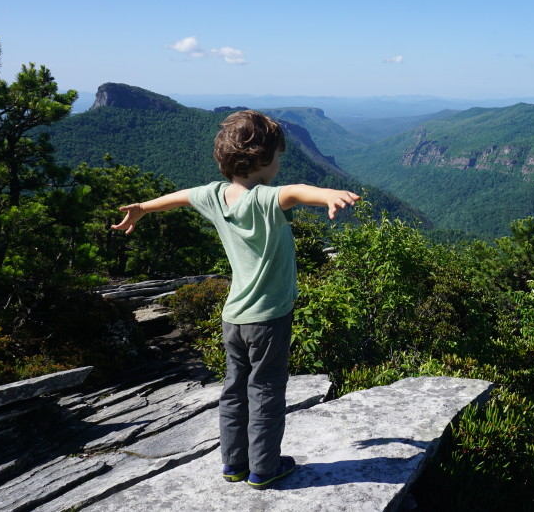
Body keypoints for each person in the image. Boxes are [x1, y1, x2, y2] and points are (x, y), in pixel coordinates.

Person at [110, 110, 359, 490]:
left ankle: (234, 464)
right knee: (266, 392)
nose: (280, 163)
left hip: (234, 317)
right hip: (269, 319)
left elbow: (181, 197)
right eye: (277, 156)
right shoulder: (264, 200)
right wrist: (325, 193)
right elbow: (295, 192)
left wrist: (143, 208)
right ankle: (265, 467)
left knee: (234, 390)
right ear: (262, 161)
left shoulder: (214, 196)